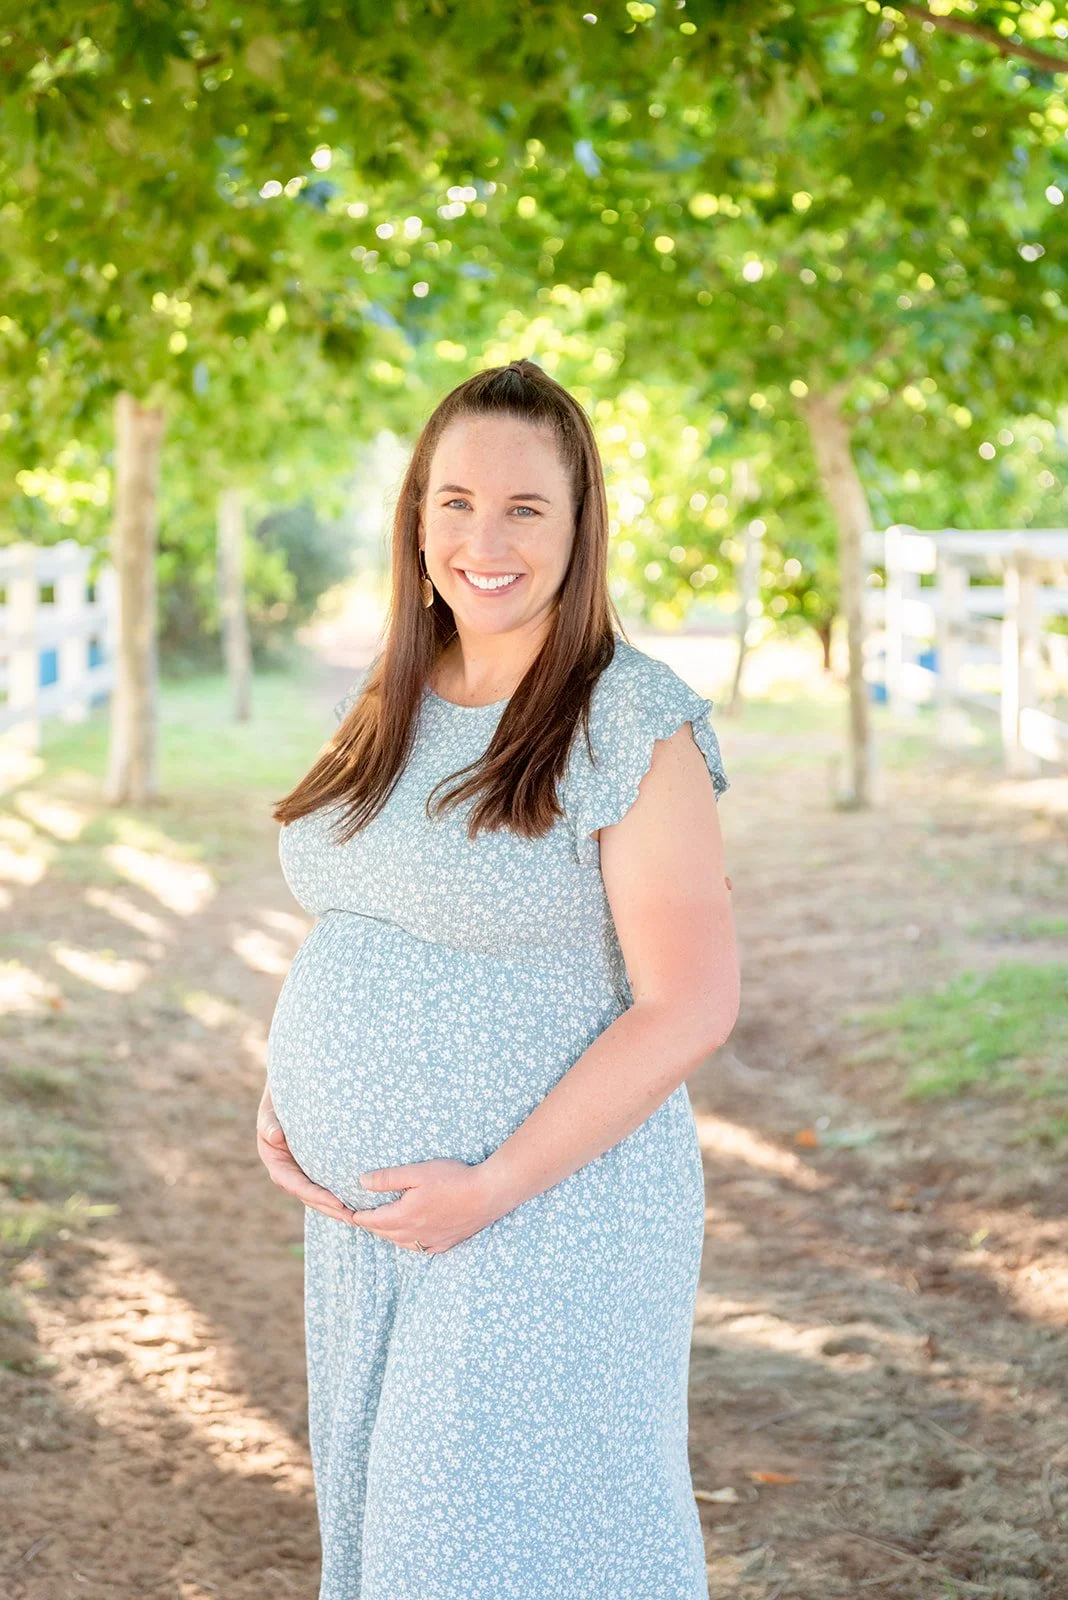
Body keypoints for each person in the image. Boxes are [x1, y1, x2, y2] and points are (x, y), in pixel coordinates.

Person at [257, 358, 739, 1600]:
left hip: (543, 1214)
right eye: (456, 500)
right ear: (416, 518)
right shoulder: (399, 692)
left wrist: (493, 1185)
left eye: (527, 507)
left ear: (580, 532)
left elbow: (691, 1001)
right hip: (379, 1226)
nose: (487, 537)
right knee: (395, 1541)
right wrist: (294, 1086)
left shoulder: (632, 718)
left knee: (483, 1553)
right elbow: (368, 908)